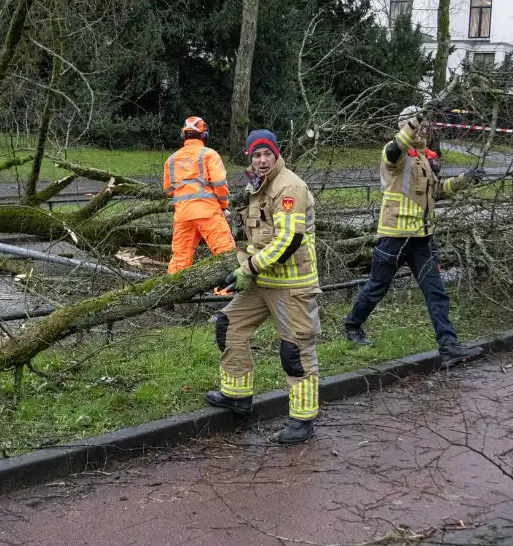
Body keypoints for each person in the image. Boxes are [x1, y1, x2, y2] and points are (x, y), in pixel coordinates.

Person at [342, 105, 486, 369]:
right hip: (395, 236)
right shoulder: (394, 154)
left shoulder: (427, 158)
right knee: (377, 287)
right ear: (404, 126)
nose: (421, 129)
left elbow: (437, 192)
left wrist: (464, 179)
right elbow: (396, 147)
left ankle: (449, 346)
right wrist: (415, 119)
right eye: (415, 124)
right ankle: (352, 325)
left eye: (423, 124)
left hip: (423, 239)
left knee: (436, 292)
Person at [205, 130, 320, 445]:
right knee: (228, 325)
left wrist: (249, 267)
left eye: (267, 153)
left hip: (292, 286)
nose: (262, 159)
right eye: (256, 155)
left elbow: (288, 240)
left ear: (276, 154)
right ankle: (237, 395)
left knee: (295, 351)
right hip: (261, 282)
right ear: (249, 158)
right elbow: (251, 237)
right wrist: (241, 263)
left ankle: (303, 419)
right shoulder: (254, 186)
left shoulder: (289, 187)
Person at [164, 117, 236, 293]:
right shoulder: (209, 155)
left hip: (182, 215)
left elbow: (168, 189)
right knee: (225, 253)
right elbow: (219, 183)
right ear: (204, 134)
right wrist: (223, 205)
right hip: (208, 212)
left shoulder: (172, 160)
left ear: (183, 135)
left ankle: (172, 294)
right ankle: (225, 295)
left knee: (180, 256)